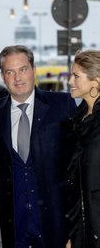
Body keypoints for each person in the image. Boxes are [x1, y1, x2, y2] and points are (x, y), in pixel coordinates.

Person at [0, 45, 77, 248]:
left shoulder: (62, 105)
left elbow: (76, 167)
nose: (18, 77)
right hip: (14, 226)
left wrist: (75, 229)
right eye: (10, 72)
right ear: (2, 76)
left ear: (33, 69)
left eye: (23, 69)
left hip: (56, 224)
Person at [66, 50, 100, 248]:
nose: (70, 81)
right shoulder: (77, 120)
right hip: (81, 229)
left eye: (76, 76)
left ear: (95, 81)